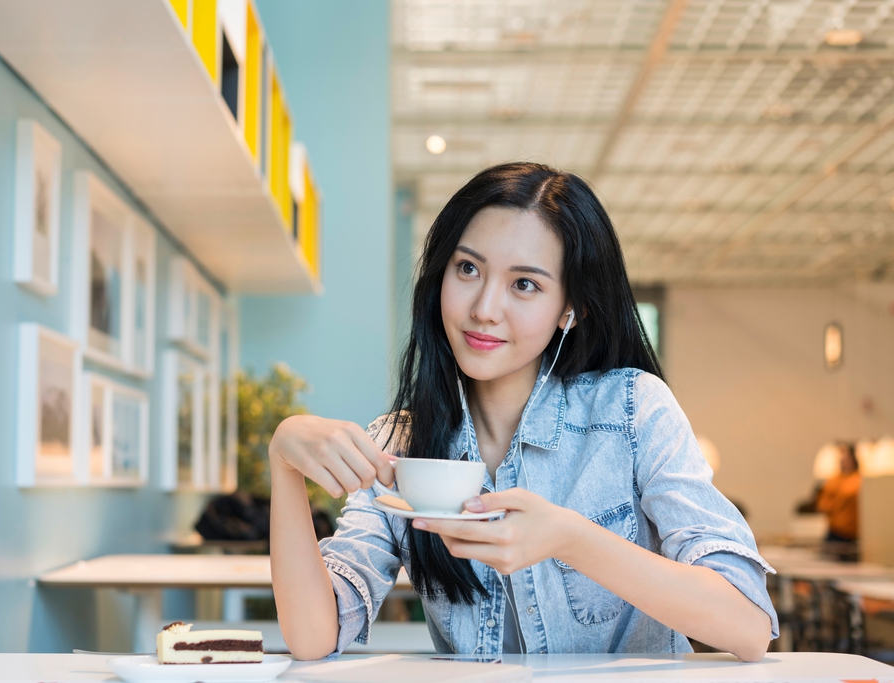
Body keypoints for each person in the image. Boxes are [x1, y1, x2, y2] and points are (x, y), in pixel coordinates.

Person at [268, 163, 778, 662]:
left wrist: (569, 538)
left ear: (569, 308)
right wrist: (284, 461)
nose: (485, 307)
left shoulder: (632, 410)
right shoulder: (399, 446)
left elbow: (748, 626)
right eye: (468, 268)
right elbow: (315, 635)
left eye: (524, 284)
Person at [815, 442, 861, 544]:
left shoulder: (857, 480)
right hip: (836, 529)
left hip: (851, 530)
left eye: (847, 459)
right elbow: (823, 504)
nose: (844, 461)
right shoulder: (834, 480)